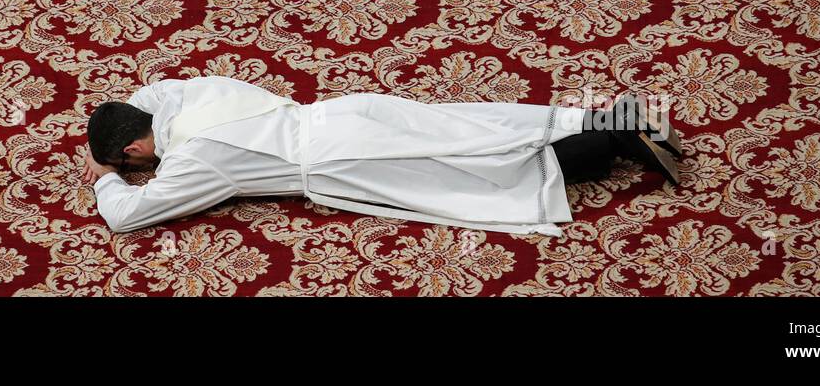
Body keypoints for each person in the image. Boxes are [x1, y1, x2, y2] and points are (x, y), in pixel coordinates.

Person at [83, 75, 684, 235]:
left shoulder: (193, 162)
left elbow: (129, 215)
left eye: (139, 161)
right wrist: (125, 126)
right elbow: (155, 94)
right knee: (468, 126)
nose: (146, 170)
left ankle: (614, 142)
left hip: (341, 160)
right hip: (346, 112)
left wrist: (107, 176)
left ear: (138, 148)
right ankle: (605, 117)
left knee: (476, 173)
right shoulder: (195, 93)